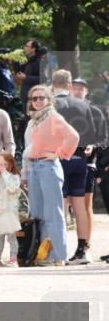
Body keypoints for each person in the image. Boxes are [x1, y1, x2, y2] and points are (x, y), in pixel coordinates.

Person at [23, 85, 79, 267]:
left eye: (41, 97)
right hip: (33, 168)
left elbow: (73, 136)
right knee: (38, 213)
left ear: (49, 99)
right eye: (34, 98)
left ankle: (58, 255)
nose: (38, 101)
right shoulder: (33, 121)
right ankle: (41, 254)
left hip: (48, 167)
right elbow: (27, 149)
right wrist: (25, 173)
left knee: (53, 213)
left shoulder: (53, 117)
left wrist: (59, 154)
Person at [49, 69, 99, 264]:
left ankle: (59, 252)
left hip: (59, 158)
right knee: (80, 207)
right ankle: (82, 250)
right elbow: (92, 136)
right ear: (69, 85)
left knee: (60, 206)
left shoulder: (51, 105)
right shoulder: (83, 105)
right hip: (80, 159)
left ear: (53, 85)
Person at [70, 77, 105, 263]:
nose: (77, 91)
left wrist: (93, 146)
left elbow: (103, 138)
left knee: (84, 206)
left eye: (81, 88)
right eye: (74, 88)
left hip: (86, 164)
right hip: (64, 162)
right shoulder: (63, 110)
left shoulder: (95, 112)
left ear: (86, 91)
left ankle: (84, 247)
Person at [15, 39, 47, 107]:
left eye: (27, 46)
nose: (24, 48)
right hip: (26, 97)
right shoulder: (28, 61)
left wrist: (26, 78)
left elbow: (44, 78)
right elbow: (19, 72)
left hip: (35, 98)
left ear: (33, 49)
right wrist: (15, 61)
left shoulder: (39, 61)